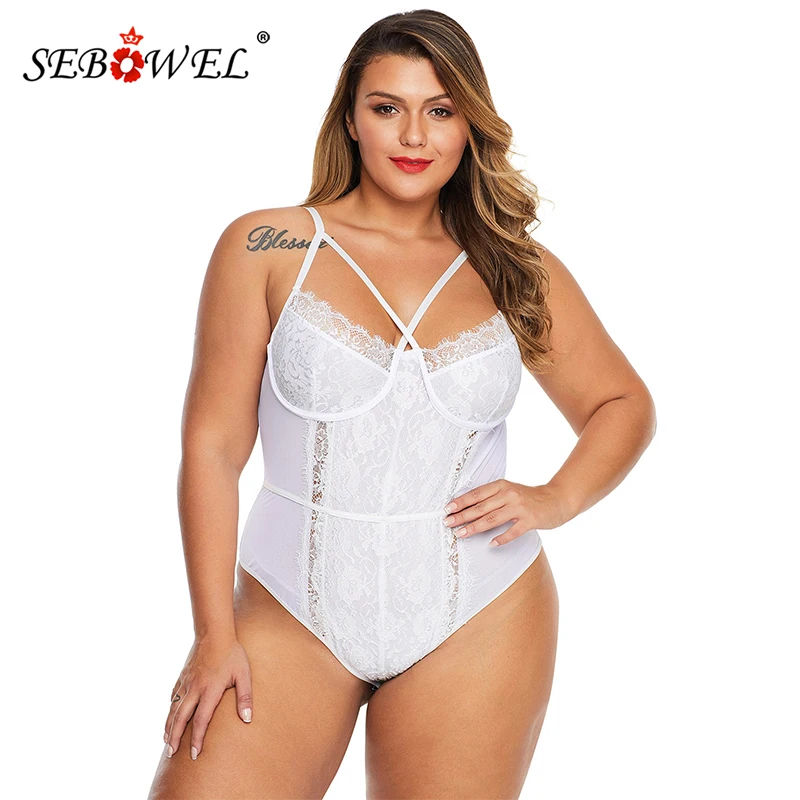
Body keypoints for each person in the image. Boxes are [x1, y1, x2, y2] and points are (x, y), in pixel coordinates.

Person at [148, 9, 656, 799]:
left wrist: (556, 498)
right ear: (351, 118)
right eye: (387, 107)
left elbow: (621, 402)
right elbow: (212, 450)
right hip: (289, 611)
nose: (414, 135)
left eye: (440, 110)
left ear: (468, 125)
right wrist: (214, 633)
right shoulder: (270, 245)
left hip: (481, 611)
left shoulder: (515, 266)